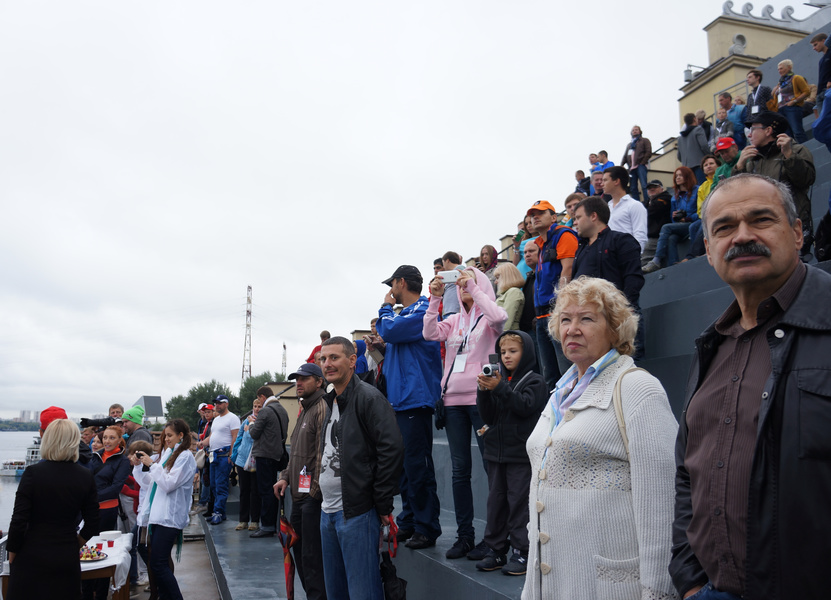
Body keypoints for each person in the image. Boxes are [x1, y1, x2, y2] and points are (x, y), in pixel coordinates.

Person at [669, 174, 831, 600]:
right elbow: (689, 471)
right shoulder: (711, 345)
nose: (742, 236)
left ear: (797, 233)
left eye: (761, 220)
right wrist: (689, 578)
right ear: (707, 249)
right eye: (723, 227)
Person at [523, 277, 678, 600]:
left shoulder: (637, 388)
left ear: (615, 328)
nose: (572, 329)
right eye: (565, 319)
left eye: (587, 318)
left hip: (610, 589)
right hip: (552, 585)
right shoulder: (558, 394)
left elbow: (662, 506)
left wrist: (658, 592)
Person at [423, 268, 508, 560]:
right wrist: (435, 298)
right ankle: (465, 536)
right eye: (459, 285)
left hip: (481, 400)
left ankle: (497, 537)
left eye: (468, 282)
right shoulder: (454, 320)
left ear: (480, 284)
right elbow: (429, 332)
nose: (463, 288)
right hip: (452, 403)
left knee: (490, 466)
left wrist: (473, 282)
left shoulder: (489, 318)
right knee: (460, 472)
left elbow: (499, 317)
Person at [317, 337, 404, 600]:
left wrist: (381, 502)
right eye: (323, 359)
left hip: (356, 513)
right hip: (327, 512)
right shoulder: (330, 400)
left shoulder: (369, 398)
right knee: (336, 593)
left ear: (353, 361)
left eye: (334, 357)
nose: (327, 364)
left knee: (363, 594)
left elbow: (392, 449)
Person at [376, 265, 443, 549]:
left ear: (401, 282)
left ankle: (427, 527)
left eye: (392, 285)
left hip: (416, 398)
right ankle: (409, 521)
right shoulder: (407, 315)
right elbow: (393, 339)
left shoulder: (424, 310)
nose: (390, 291)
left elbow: (391, 328)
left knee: (418, 467)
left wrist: (385, 308)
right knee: (404, 467)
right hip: (399, 400)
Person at [474, 331, 547, 575]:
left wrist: (500, 388)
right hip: (496, 453)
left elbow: (524, 406)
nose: (506, 356)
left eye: (513, 351)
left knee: (518, 504)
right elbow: (489, 416)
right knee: (495, 503)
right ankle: (495, 550)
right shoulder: (499, 380)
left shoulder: (535, 380)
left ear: (525, 352)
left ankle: (522, 552)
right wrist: (483, 391)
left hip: (520, 455)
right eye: (503, 352)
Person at [7, 419, 100, 600]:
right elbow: (93, 521)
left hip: (31, 553)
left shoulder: (32, 473)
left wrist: (12, 553)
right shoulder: (85, 476)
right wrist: (76, 543)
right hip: (66, 554)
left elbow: (18, 520)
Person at [275, 363, 328, 600]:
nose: (299, 383)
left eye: (304, 379)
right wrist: (285, 477)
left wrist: (314, 493)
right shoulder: (304, 409)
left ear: (319, 381)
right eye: (297, 379)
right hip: (297, 494)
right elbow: (297, 452)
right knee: (298, 552)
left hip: (312, 498)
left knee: (312, 557)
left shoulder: (322, 407)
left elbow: (321, 454)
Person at [734, 111, 815, 256]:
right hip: (760, 226)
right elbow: (737, 194)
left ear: (768, 130)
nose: (749, 135)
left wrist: (789, 156)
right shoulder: (752, 159)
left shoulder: (796, 150)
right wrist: (739, 167)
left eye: (752, 129)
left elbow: (806, 180)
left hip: (791, 222)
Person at [133, 419, 197, 600]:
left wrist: (152, 465)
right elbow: (151, 484)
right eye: (164, 435)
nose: (166, 439)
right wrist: (139, 468)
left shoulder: (185, 456)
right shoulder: (169, 454)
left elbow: (168, 484)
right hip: (158, 515)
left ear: (181, 436)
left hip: (170, 516)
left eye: (169, 435)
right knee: (157, 562)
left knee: (159, 563)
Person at [526, 200, 578, 391]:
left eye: (540, 213)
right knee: (550, 376)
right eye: (532, 214)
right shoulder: (541, 243)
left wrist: (561, 305)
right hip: (541, 316)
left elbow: (568, 268)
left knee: (567, 373)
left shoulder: (563, 234)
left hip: (556, 313)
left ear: (554, 217)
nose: (535, 217)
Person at [85, 424, 131, 600]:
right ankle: (87, 592)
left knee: (103, 553)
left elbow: (116, 487)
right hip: (89, 511)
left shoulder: (122, 461)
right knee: (87, 550)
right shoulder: (95, 457)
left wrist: (92, 498)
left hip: (107, 510)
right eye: (105, 438)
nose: (107, 441)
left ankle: (101, 594)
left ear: (120, 440)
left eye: (112, 438)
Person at [248, 386, 289, 538]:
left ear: (262, 397)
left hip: (264, 455)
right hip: (277, 455)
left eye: (259, 399)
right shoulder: (282, 410)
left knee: (265, 490)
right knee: (272, 489)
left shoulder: (265, 411)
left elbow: (254, 433)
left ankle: (267, 526)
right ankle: (272, 524)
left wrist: (252, 423)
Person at [643, 166, 699, 272]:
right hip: (681, 226)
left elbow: (700, 212)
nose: (678, 178)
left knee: (666, 228)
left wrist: (687, 218)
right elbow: (672, 219)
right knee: (671, 237)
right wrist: (675, 217)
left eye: (681, 175)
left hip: (694, 223)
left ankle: (656, 260)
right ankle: (673, 266)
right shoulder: (675, 197)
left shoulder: (697, 190)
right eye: (676, 175)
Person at [197, 395, 240, 525]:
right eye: (216, 403)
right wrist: (203, 443)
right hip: (213, 455)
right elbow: (212, 436)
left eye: (220, 403)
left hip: (223, 455)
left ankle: (218, 512)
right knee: (214, 486)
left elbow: (235, 437)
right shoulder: (216, 420)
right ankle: (220, 512)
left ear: (226, 404)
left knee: (221, 485)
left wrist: (232, 455)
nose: (217, 405)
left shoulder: (232, 418)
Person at [230, 397, 262, 532]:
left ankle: (254, 520)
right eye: (255, 406)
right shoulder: (245, 422)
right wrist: (234, 455)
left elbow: (252, 437)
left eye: (259, 406)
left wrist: (251, 428)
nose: (257, 409)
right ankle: (243, 520)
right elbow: (239, 438)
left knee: (255, 491)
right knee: (244, 491)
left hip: (255, 460)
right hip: (242, 460)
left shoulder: (261, 422)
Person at [604, 166, 648, 251]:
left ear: (616, 181)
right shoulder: (607, 207)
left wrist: (631, 258)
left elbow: (640, 237)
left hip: (627, 258)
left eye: (605, 180)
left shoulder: (635, 205)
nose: (602, 184)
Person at [771, 59, 810, 143]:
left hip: (792, 108)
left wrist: (794, 101)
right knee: (787, 135)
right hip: (781, 110)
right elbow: (774, 96)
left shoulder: (796, 78)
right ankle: (793, 153)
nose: (779, 71)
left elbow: (807, 91)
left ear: (789, 67)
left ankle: (805, 150)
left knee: (797, 131)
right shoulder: (780, 83)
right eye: (778, 69)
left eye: (781, 68)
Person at [642, 180, 673, 266]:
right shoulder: (647, 202)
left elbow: (652, 210)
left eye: (655, 187)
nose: (652, 189)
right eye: (649, 188)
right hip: (647, 236)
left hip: (657, 236)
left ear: (661, 188)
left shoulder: (666, 198)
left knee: (643, 260)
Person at [192, 403, 214, 515]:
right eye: (203, 411)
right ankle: (204, 503)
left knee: (206, 480)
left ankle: (204, 503)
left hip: (208, 453)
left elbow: (210, 438)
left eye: (207, 411)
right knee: (204, 479)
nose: (205, 414)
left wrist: (203, 445)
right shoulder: (203, 423)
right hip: (204, 451)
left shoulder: (211, 423)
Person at [621, 125, 652, 202]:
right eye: (633, 130)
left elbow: (648, 152)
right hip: (631, 168)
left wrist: (642, 162)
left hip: (640, 166)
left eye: (636, 129)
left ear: (640, 131)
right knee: (633, 187)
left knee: (644, 185)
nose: (635, 131)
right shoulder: (629, 145)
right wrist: (621, 165)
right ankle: (636, 203)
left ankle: (647, 202)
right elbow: (625, 156)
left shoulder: (644, 140)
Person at [677, 112, 710, 183]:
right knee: (702, 187)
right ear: (695, 119)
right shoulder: (698, 130)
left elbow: (679, 156)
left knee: (692, 190)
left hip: (686, 168)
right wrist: (709, 156)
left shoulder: (680, 138)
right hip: (699, 164)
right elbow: (704, 146)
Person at [494, 262, 526, 331]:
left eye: (498, 277)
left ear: (506, 277)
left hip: (509, 336)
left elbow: (506, 320)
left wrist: (498, 338)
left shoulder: (514, 292)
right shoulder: (507, 293)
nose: (496, 282)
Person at [519, 242, 539, 341]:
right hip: (529, 330)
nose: (527, 255)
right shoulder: (530, 276)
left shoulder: (544, 276)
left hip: (538, 328)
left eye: (531, 251)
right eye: (525, 252)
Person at [440, 251, 466, 317]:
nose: (443, 266)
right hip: (449, 310)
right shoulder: (451, 274)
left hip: (454, 310)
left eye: (443, 263)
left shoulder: (460, 269)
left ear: (447, 261)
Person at [811, 32, 831, 114]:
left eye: (815, 45)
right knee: (823, 121)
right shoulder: (821, 60)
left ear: (824, 41)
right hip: (820, 94)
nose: (814, 48)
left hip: (828, 91)